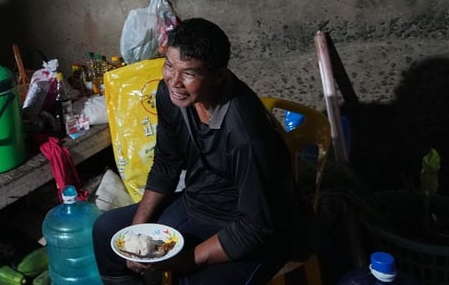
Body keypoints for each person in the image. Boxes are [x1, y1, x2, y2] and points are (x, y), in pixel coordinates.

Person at [92, 18, 299, 285]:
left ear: (219, 76)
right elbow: (166, 164)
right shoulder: (171, 95)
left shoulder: (245, 134)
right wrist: (136, 230)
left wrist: (181, 261)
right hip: (196, 203)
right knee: (107, 231)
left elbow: (256, 227)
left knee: (190, 280)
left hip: (249, 228)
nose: (174, 81)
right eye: (169, 65)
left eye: (189, 74)